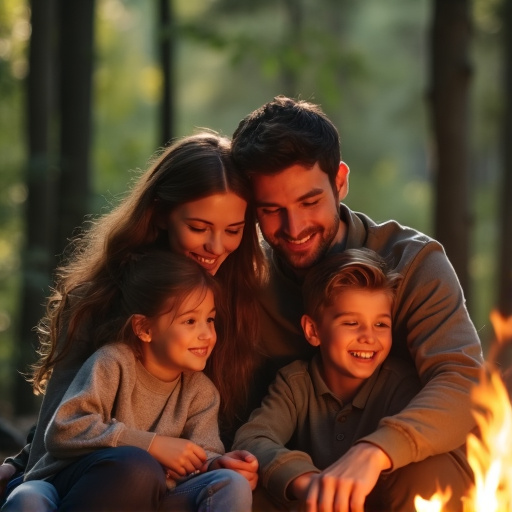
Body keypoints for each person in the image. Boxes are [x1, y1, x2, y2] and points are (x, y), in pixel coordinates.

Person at [230, 96, 483, 511]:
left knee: (423, 480)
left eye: (310, 202)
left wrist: (375, 451)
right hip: (304, 491)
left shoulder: (414, 263)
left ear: (340, 181)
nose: (293, 229)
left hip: (411, 474)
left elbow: (463, 382)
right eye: (272, 210)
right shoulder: (246, 281)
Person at [0, 131, 265, 511]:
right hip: (89, 478)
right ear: (160, 214)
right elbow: (61, 422)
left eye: (234, 230)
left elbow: (206, 445)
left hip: (169, 486)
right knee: (132, 468)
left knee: (223, 482)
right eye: (199, 227)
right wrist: (18, 465)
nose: (216, 246)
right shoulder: (100, 300)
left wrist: (220, 463)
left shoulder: (241, 305)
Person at [8, 251, 257, 512]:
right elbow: (64, 430)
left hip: (152, 494)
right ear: (145, 329)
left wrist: (219, 464)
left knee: (232, 483)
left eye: (210, 319)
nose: (206, 334)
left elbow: (203, 455)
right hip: (68, 484)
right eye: (190, 321)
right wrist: (151, 445)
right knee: (29, 499)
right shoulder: (114, 362)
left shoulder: (200, 391)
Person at [233, 248, 472, 511]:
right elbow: (253, 439)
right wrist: (309, 481)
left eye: (381, 325)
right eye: (351, 323)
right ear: (313, 331)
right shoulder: (295, 383)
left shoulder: (401, 384)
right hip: (321, 505)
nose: (369, 337)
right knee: (246, 485)